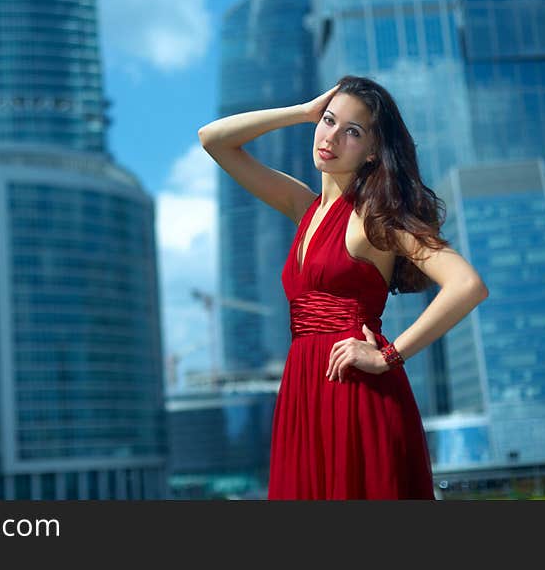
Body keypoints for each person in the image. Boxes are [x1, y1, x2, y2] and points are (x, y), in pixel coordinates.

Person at [197, 75, 489, 500]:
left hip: (355, 391)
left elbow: (467, 284)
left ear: (372, 152)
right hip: (304, 389)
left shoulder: (377, 219)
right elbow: (213, 140)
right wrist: (302, 111)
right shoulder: (304, 207)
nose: (331, 137)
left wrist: (388, 355)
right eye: (329, 122)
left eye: (352, 131)